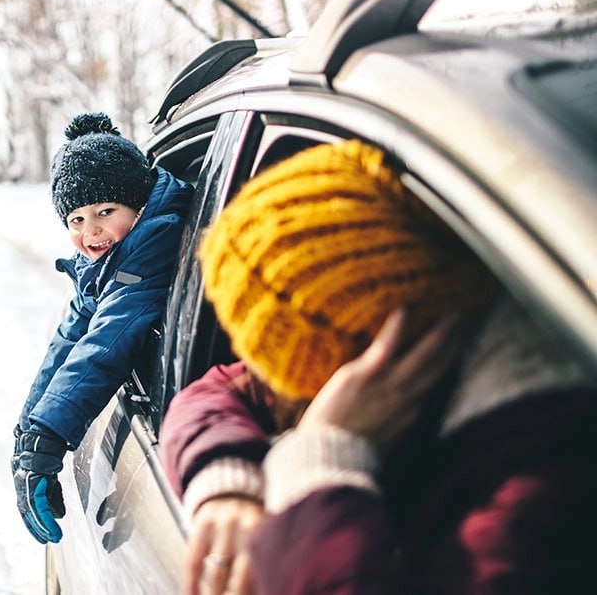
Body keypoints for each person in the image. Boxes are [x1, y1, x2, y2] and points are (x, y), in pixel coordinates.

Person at [159, 138, 597, 594]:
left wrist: (319, 470)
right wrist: (225, 477)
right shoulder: (439, 355)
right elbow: (221, 391)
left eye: (264, 351)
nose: (249, 366)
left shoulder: (532, 499)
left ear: (366, 359)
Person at [12, 111, 194, 545]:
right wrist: (28, 438)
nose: (90, 231)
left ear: (140, 203)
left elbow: (104, 343)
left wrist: (48, 437)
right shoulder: (103, 262)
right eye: (75, 220)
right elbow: (67, 343)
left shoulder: (148, 252)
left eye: (105, 211)